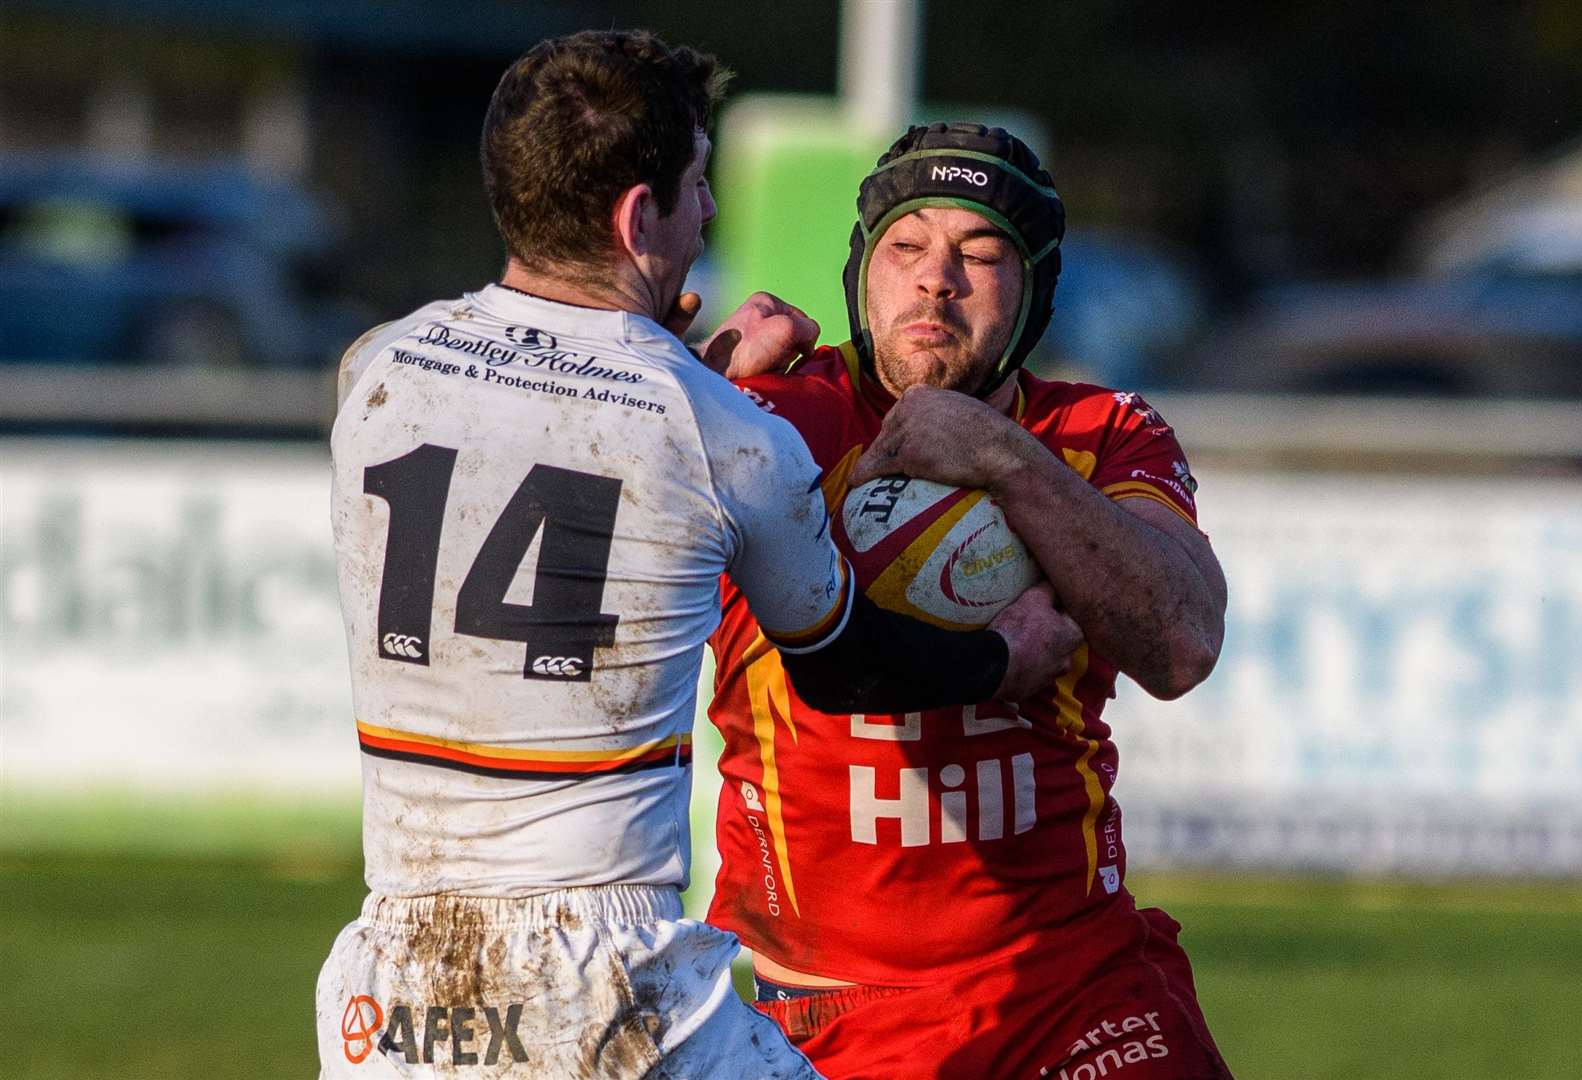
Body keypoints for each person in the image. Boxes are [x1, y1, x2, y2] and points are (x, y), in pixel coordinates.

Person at [315, 36, 1080, 1079]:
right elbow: (842, 664)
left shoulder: (375, 365)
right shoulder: (720, 429)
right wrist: (1005, 658)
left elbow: (539, 397)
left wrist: (680, 360)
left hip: (388, 979)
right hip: (600, 977)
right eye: (696, 186)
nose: (712, 212)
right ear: (639, 219)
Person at [705, 123, 1233, 1079]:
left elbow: (1183, 643)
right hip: (828, 1010)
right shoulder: (769, 414)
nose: (936, 279)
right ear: (862, 272)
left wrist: (1004, 458)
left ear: (1032, 293)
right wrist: (692, 384)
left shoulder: (1101, 435)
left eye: (981, 254)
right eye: (906, 247)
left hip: (1068, 982)